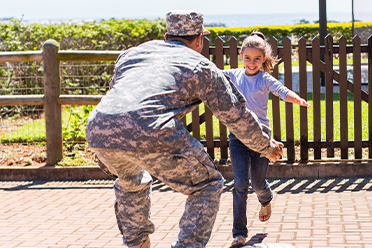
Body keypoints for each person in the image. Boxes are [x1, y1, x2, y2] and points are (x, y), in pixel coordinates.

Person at [85, 11, 283, 248]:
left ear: (167, 36)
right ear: (199, 40)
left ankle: (137, 243)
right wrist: (266, 147)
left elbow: (119, 95)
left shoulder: (132, 54)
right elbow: (235, 115)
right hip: (152, 127)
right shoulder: (201, 66)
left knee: (131, 180)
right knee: (207, 185)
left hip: (100, 127)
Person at [223, 31, 311, 247]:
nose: (252, 63)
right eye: (247, 58)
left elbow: (281, 91)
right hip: (237, 137)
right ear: (241, 55)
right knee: (240, 183)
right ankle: (239, 233)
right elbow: (210, 74)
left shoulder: (264, 78)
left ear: (264, 59)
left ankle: (266, 199)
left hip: (262, 139)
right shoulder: (233, 75)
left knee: (257, 183)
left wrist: (296, 98)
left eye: (257, 59)